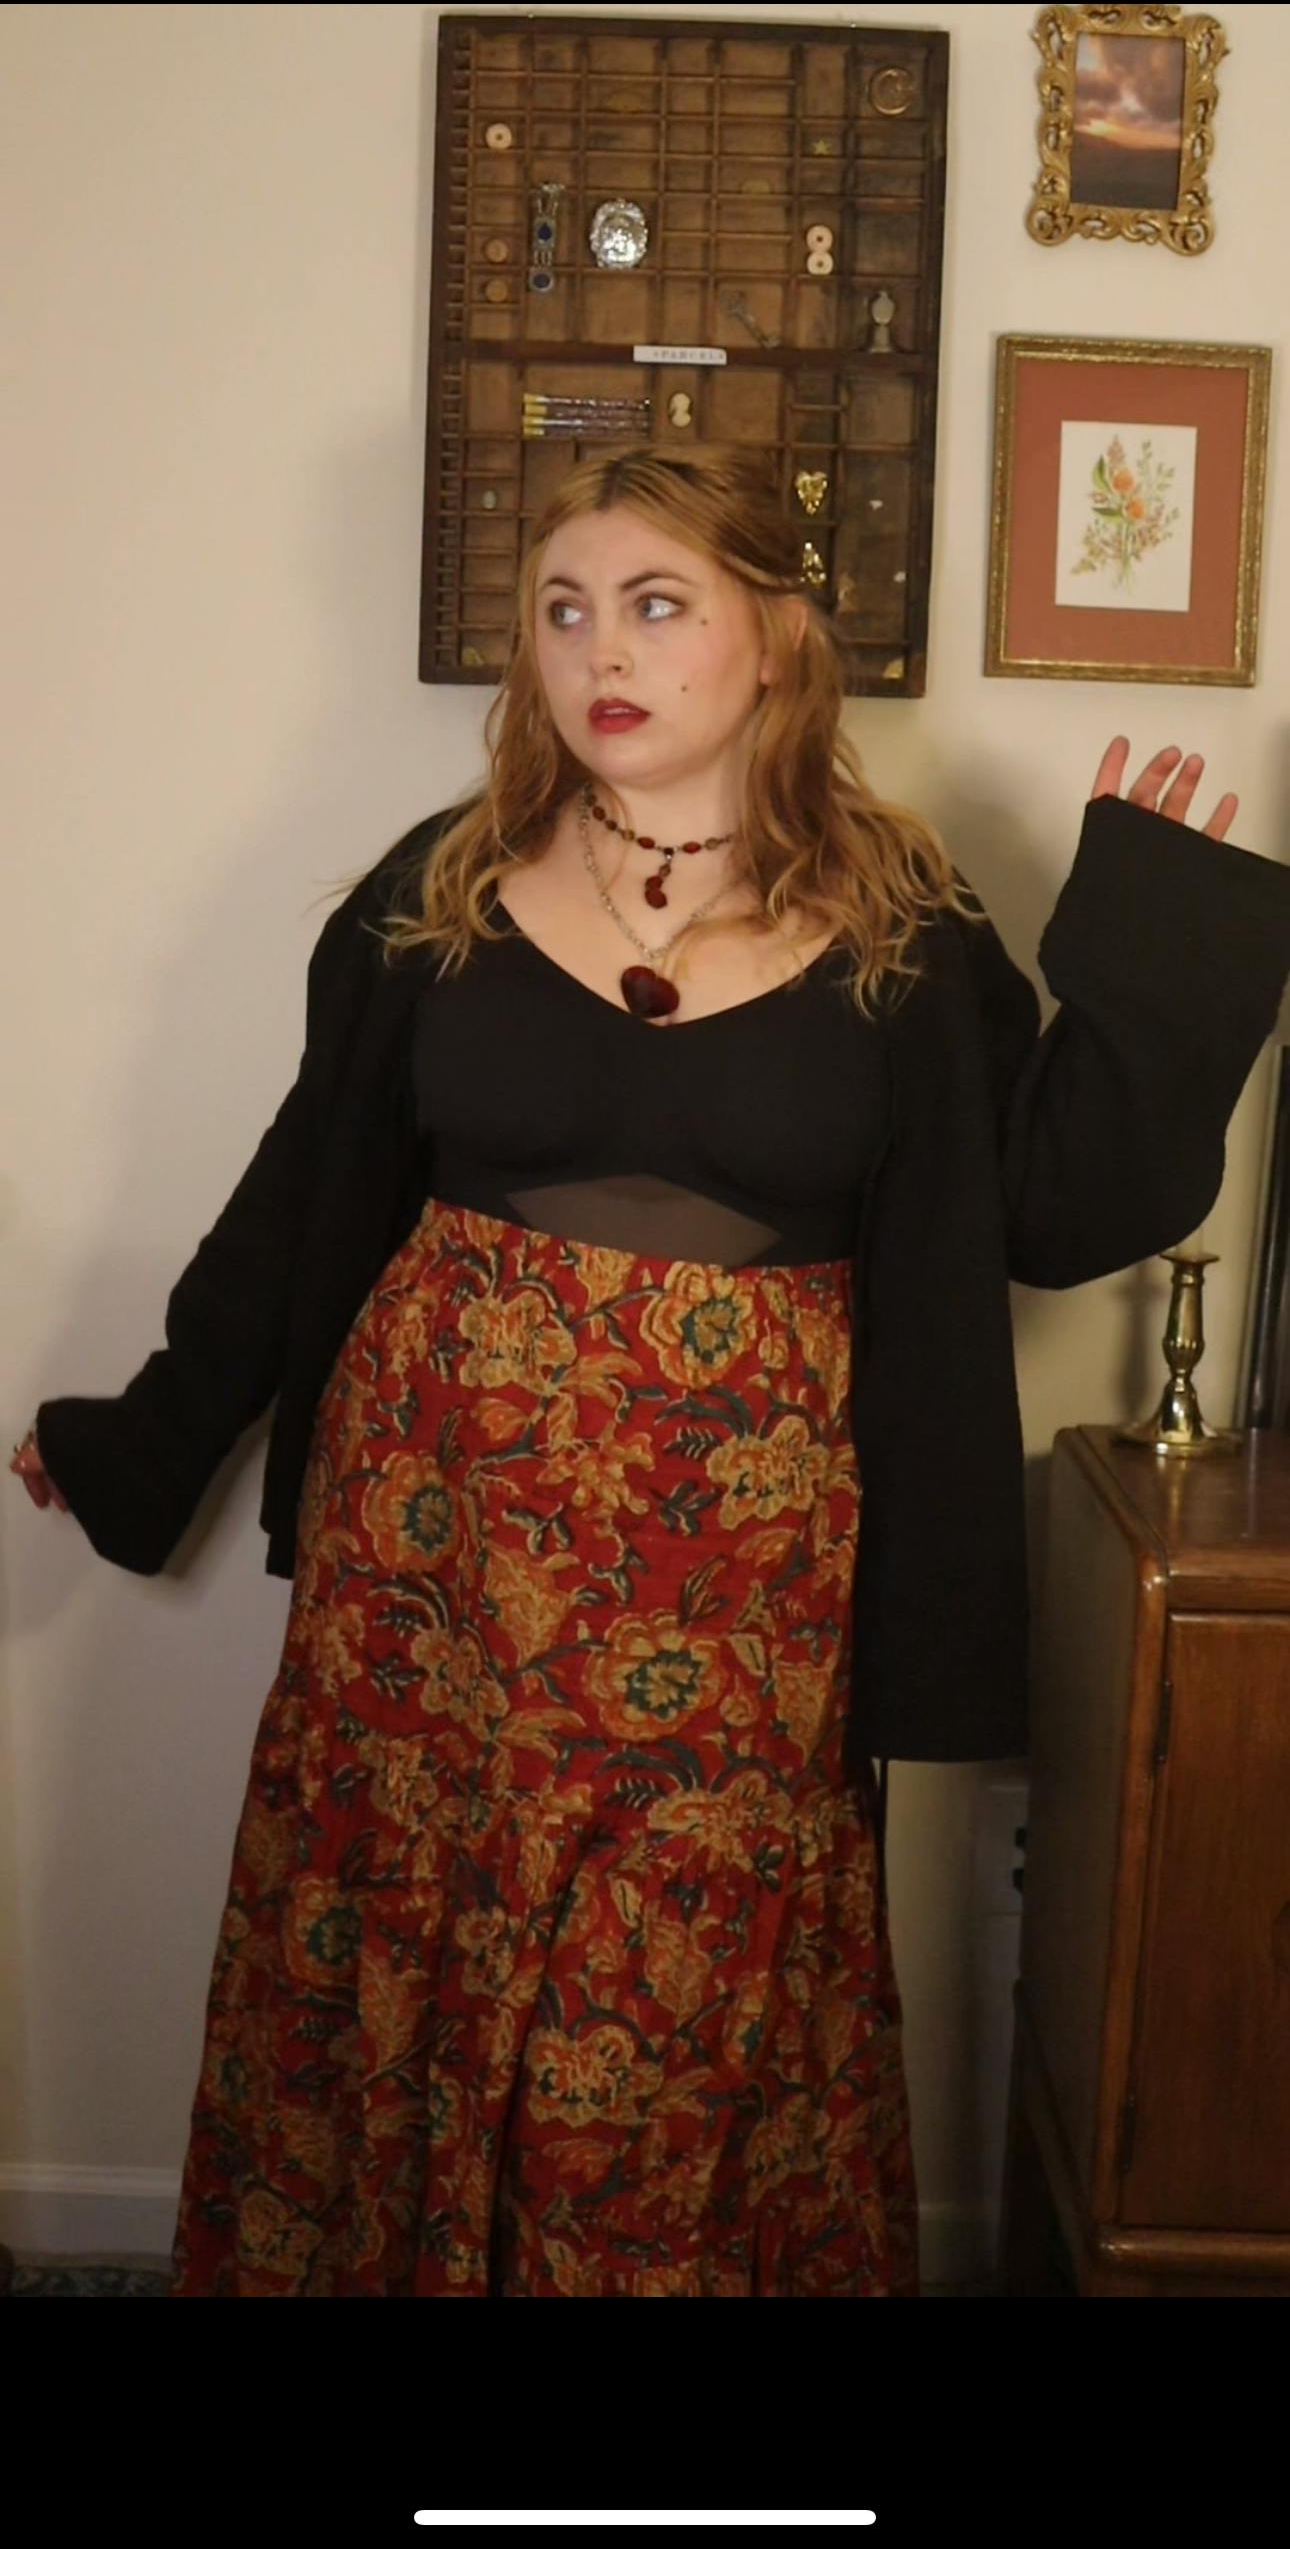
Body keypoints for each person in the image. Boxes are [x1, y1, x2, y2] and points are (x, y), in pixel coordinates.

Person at [9, 444, 1278, 2301]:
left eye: (655, 604)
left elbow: (1047, 1206)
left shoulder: (905, 927)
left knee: (674, 1987)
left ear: (776, 637)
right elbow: (300, 1201)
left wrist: (1156, 959)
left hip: (739, 1581)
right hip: (428, 1565)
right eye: (563, 610)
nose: (599, 650)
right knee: (412, 1934)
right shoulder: (437, 894)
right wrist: (144, 1433)